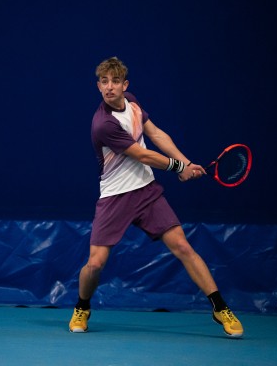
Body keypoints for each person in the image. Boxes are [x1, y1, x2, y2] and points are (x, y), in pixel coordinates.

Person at [68, 57, 243, 338]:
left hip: (146, 192)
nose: (109, 87)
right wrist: (178, 168)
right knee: (96, 263)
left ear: (125, 85)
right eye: (104, 82)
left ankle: (220, 307)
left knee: (183, 246)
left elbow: (156, 134)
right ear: (98, 86)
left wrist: (187, 163)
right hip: (114, 197)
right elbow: (143, 155)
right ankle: (82, 306)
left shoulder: (133, 103)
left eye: (115, 81)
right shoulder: (103, 124)